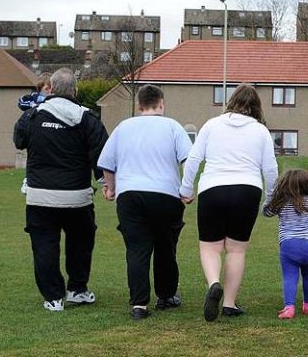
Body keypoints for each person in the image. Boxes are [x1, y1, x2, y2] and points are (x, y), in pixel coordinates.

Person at [180, 84, 278, 322]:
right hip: (247, 190)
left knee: (210, 247)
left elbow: (193, 159)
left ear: (231, 101)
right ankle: (230, 303)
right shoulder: (261, 131)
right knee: (236, 249)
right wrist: (270, 198)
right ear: (257, 106)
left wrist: (185, 188)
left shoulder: (212, 125)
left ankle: (214, 283)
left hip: (212, 188)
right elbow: (270, 168)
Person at [13, 68, 108, 312]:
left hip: (39, 195)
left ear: (51, 89)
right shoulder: (87, 118)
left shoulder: (32, 116)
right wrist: (107, 184)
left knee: (44, 245)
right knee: (80, 243)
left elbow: (18, 140)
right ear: (75, 91)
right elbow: (101, 155)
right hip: (77, 197)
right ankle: (77, 289)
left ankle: (53, 297)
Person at [97, 85, 192, 320]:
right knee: (165, 246)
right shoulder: (172, 126)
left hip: (130, 194)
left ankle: (139, 304)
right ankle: (166, 295)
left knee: (137, 248)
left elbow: (107, 163)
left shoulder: (124, 127)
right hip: (165, 194)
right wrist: (187, 189)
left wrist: (111, 187)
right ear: (161, 104)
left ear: (139, 106)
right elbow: (188, 160)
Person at [263, 169, 308, 320]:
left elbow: (267, 212)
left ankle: (289, 307)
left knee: (290, 276)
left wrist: (270, 197)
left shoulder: (282, 202)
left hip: (288, 245)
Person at [17, 72, 52, 194]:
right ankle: (28, 179)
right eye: (47, 88)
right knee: (33, 155)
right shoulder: (34, 98)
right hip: (34, 129)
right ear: (40, 89)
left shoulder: (54, 100)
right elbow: (21, 103)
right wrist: (35, 105)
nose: (49, 92)